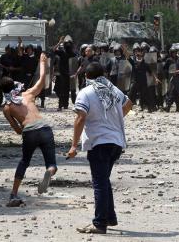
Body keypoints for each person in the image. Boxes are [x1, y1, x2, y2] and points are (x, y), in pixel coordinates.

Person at [67, 62, 133, 234]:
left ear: (86, 76)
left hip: (99, 143)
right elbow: (128, 104)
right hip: (116, 142)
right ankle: (110, 217)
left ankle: (99, 223)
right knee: (104, 180)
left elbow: (80, 118)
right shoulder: (113, 90)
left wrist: (74, 145)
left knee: (99, 183)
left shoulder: (86, 93)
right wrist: (114, 119)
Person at [0, 53, 57, 207]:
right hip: (44, 128)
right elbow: (42, 79)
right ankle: (49, 172)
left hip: (29, 131)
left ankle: (13, 194)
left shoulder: (7, 108)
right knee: (51, 163)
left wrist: (23, 130)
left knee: (24, 161)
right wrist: (42, 62)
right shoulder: (28, 94)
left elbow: (17, 130)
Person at [128, 43, 160, 112]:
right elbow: (127, 56)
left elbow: (151, 72)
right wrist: (124, 49)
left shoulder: (145, 64)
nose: (139, 56)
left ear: (142, 57)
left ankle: (148, 108)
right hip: (136, 82)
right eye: (137, 55)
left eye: (140, 55)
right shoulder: (134, 63)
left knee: (145, 95)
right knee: (131, 95)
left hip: (143, 83)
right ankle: (128, 108)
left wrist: (156, 79)